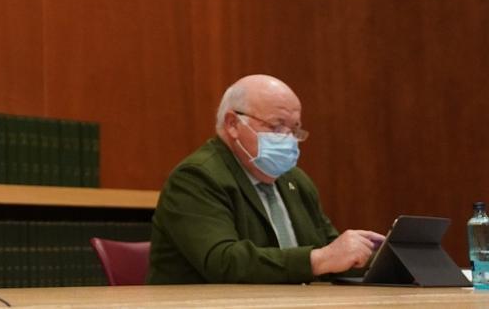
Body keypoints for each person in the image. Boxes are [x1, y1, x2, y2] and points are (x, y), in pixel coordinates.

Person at [147, 74, 385, 284]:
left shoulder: (295, 181)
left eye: (294, 129)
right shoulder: (196, 177)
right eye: (277, 126)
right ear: (233, 124)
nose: (289, 139)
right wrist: (318, 260)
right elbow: (224, 262)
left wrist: (381, 258)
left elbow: (331, 253)